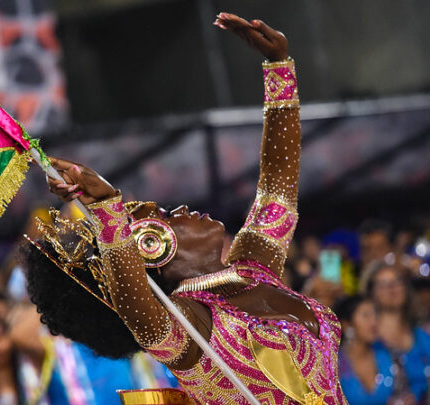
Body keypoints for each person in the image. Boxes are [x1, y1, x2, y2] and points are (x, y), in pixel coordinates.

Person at [22, 12, 347, 404]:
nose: (185, 211)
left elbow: (278, 186)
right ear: (152, 246)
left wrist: (279, 67)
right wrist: (108, 211)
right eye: (168, 216)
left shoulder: (253, 270)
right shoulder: (190, 329)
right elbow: (134, 305)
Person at [365, 262, 430, 403]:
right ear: (371, 293)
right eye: (383, 284)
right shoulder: (367, 340)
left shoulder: (423, 335)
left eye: (397, 282)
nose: (392, 288)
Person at [335, 296, 403, 405]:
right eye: (366, 316)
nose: (374, 322)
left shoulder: (391, 357)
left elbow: (403, 395)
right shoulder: (333, 364)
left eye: (375, 315)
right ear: (347, 324)